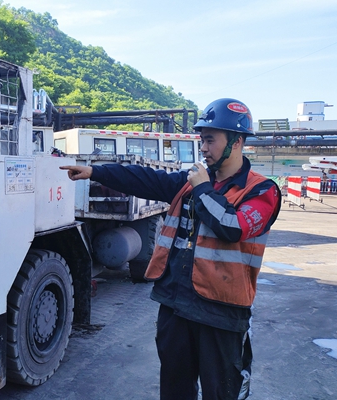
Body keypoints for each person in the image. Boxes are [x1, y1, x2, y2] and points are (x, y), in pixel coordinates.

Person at [61, 98, 281, 400]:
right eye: (202, 140)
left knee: (222, 392)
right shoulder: (191, 183)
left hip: (221, 314)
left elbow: (233, 227)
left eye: (210, 140)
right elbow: (146, 179)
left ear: (237, 141)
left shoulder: (261, 190)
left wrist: (203, 187)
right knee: (175, 390)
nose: (203, 148)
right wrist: (95, 172)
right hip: (177, 306)